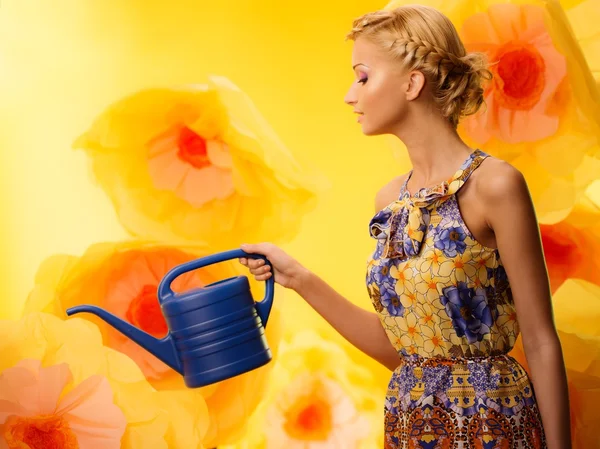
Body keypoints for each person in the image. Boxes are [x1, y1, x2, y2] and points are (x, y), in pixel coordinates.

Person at [239, 4, 571, 448]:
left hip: (493, 423)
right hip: (412, 426)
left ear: (413, 83)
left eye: (362, 77)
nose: (349, 96)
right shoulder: (390, 202)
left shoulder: (494, 185)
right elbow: (403, 349)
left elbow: (541, 340)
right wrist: (298, 278)